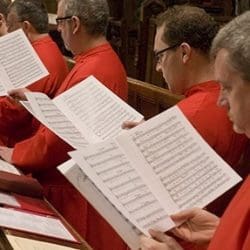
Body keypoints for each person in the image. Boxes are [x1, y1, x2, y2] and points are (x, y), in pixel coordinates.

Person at [0, 0, 128, 249]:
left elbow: (59, 139)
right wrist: (36, 100)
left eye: (60, 22)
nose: (58, 29)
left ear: (75, 24)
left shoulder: (94, 68)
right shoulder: (97, 61)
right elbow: (68, 116)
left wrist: (15, 153)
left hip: (69, 189)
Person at [140, 10, 250, 250]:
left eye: (228, 87)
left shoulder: (196, 112)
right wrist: (222, 229)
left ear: (184, 52)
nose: (221, 101)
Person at [0, 0, 69, 147]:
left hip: (24, 141)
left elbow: (12, 112)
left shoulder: (35, 59)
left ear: (25, 27)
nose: (8, 32)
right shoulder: (46, 47)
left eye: (10, 26)